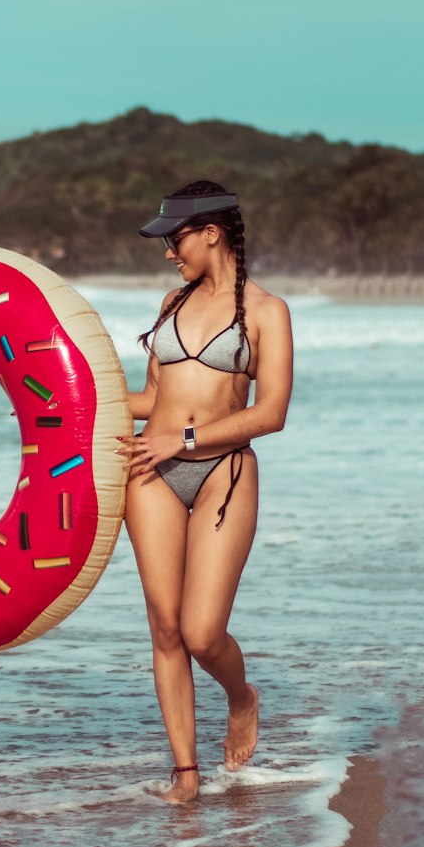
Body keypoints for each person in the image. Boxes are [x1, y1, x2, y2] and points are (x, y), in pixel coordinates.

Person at [118, 180, 293, 803]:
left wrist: (184, 441)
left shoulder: (267, 312)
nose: (170, 252)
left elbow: (271, 412)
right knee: (165, 628)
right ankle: (186, 775)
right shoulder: (171, 303)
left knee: (201, 632)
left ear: (211, 232)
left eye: (175, 238)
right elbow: (151, 401)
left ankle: (241, 697)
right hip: (151, 471)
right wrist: (69, 403)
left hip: (221, 470)